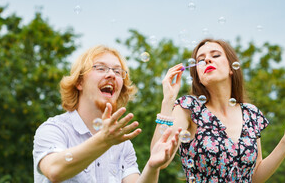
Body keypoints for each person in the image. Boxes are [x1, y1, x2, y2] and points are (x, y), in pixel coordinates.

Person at [151, 38, 285, 182]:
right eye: (201, 60)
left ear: (231, 68)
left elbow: (254, 177)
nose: (207, 60)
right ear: (199, 78)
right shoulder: (189, 108)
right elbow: (159, 160)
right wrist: (168, 101)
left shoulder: (250, 114)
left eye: (215, 55)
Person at [33, 45, 179, 183]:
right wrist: (104, 140)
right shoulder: (54, 129)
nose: (111, 75)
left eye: (117, 71)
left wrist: (152, 167)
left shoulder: (122, 144)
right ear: (79, 82)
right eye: (101, 68)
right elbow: (54, 171)